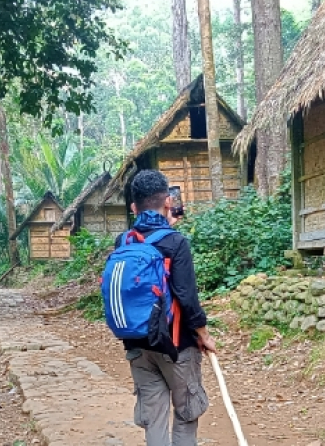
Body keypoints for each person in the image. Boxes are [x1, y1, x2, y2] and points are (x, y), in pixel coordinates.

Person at [117, 169, 217, 446]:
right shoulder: (176, 242)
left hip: (136, 344)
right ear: (169, 202)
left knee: (154, 417)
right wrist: (204, 335)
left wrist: (165, 225)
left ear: (133, 207)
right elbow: (187, 297)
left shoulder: (123, 242)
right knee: (186, 413)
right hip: (176, 346)